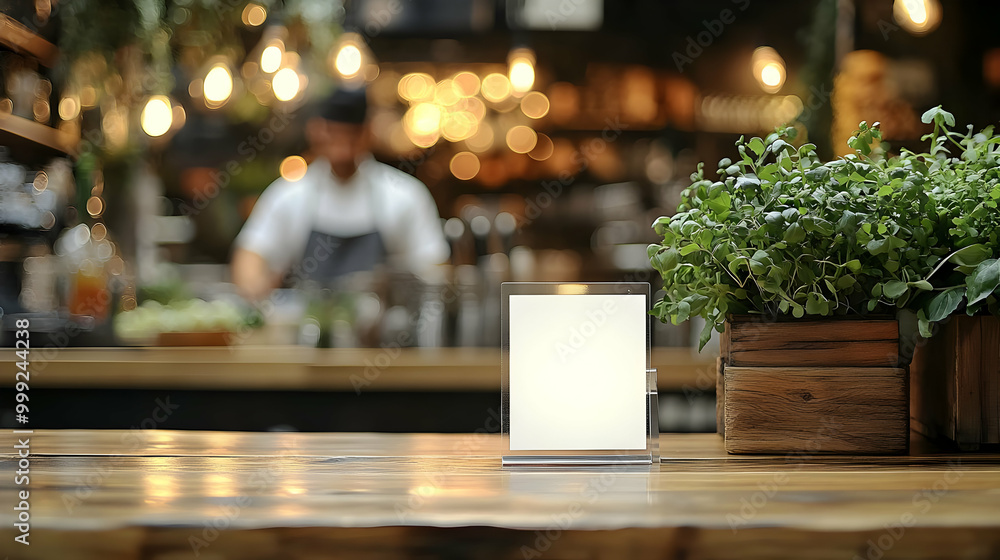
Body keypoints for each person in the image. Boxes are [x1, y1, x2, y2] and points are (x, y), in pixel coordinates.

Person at [231, 87, 449, 301]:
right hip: (308, 328)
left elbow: (434, 268)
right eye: (335, 135)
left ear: (368, 133)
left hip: (382, 331)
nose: (343, 148)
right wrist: (256, 288)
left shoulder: (404, 195)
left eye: (351, 136)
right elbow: (250, 254)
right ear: (316, 132)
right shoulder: (289, 194)